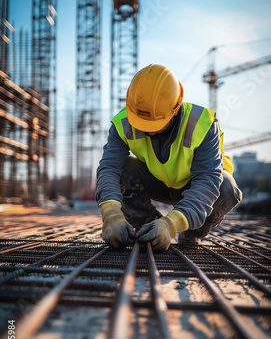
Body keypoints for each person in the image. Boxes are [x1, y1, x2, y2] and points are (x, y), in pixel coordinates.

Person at [96, 64, 242, 250]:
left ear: (175, 108)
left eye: (155, 124)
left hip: (196, 186)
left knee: (227, 187)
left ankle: (189, 233)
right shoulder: (123, 123)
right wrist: (111, 215)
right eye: (142, 123)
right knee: (120, 170)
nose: (146, 129)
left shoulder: (202, 124)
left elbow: (208, 179)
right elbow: (109, 168)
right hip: (158, 183)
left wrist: (171, 224)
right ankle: (148, 229)